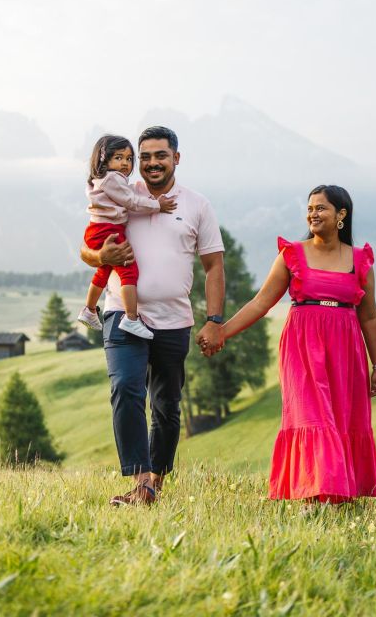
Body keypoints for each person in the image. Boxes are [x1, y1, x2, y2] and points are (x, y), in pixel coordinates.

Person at [199, 185, 376, 502]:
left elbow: (369, 317)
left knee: (341, 419)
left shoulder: (359, 261)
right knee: (314, 416)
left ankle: (337, 497)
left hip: (345, 351)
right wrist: (221, 331)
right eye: (310, 207)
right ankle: (314, 496)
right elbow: (260, 303)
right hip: (303, 348)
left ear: (341, 215)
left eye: (321, 208)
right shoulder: (292, 255)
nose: (312, 213)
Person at [80, 126, 226, 506]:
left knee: (166, 406)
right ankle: (140, 479)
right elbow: (87, 246)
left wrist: (214, 318)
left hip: (174, 320)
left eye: (160, 155)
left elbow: (214, 266)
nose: (151, 163)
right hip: (122, 314)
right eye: (144, 157)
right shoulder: (122, 194)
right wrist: (100, 258)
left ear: (176, 158)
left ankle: (154, 484)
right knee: (126, 389)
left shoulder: (197, 205)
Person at [76, 134, 178, 340]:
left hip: (98, 228)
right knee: (129, 271)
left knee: (104, 270)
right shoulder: (112, 179)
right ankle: (131, 318)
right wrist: (158, 205)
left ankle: (88, 309)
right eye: (118, 158)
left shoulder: (101, 180)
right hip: (108, 229)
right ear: (104, 160)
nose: (124, 163)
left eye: (129, 158)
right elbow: (131, 201)